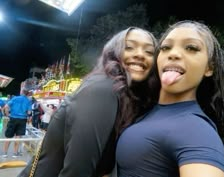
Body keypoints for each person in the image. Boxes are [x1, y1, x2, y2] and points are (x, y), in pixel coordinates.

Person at [18, 27, 158, 177]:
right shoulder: (102, 89)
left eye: (149, 52)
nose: (140, 54)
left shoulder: (127, 97)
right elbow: (77, 171)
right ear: (113, 53)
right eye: (129, 47)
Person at [116, 20, 224, 177]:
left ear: (209, 67)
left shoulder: (197, 132)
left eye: (191, 48)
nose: (173, 54)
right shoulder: (144, 108)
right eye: (165, 48)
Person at [1, 88, 32, 158]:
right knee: (18, 137)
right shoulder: (28, 101)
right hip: (22, 120)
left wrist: (7, 114)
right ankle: (15, 154)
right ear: (27, 93)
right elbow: (29, 112)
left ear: (21, 92)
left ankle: (5, 153)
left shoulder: (15, 98)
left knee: (8, 136)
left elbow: (6, 107)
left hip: (13, 118)